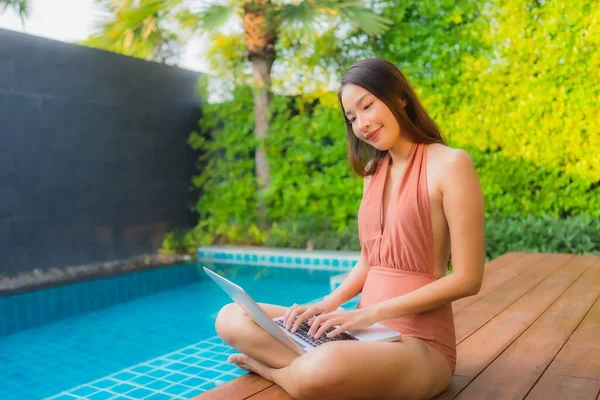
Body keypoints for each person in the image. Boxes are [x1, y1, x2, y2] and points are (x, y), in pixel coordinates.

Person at [215, 58, 485, 400]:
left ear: (400, 97)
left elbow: (468, 279)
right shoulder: (374, 171)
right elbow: (369, 261)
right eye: (352, 117)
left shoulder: (450, 164)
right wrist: (328, 304)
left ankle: (274, 371)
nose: (362, 124)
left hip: (418, 344)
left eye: (367, 106)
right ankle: (310, 367)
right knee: (232, 317)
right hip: (361, 332)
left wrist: (370, 314)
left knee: (324, 367)